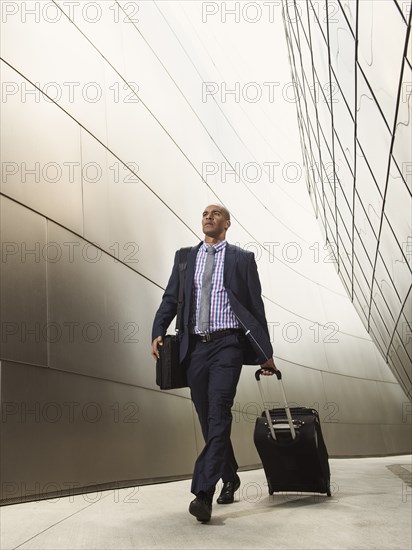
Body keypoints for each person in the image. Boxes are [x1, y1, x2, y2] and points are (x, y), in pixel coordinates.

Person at [151, 204, 278, 523]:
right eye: (205, 213)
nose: (208, 216)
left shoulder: (241, 259)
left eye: (215, 213)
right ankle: (230, 475)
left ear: (227, 223)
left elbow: (254, 306)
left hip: (228, 345)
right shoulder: (184, 257)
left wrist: (265, 353)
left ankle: (203, 492)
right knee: (208, 418)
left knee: (219, 410)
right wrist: (157, 330)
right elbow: (170, 298)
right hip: (195, 348)